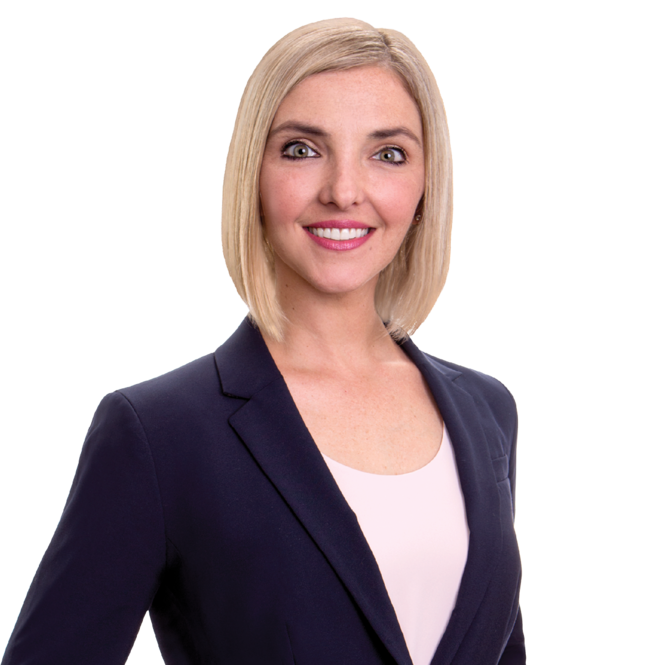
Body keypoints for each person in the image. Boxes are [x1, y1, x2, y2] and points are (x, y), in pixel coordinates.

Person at [1, 16, 524, 665]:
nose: (344, 191)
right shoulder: (157, 432)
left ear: (425, 188)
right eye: (302, 149)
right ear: (253, 173)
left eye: (388, 153)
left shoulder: (487, 410)